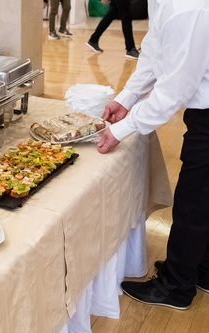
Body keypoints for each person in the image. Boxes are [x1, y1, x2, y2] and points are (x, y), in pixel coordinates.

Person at [97, 0, 209, 310]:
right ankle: (201, 268)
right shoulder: (164, 3)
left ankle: (176, 287)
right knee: (203, 199)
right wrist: (126, 99)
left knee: (194, 202)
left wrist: (121, 129)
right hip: (203, 111)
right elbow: (153, 53)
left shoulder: (187, 8)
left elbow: (175, 90)